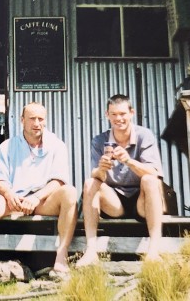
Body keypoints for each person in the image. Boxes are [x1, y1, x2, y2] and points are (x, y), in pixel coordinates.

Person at [0, 102, 77, 291]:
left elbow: (59, 180)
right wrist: (8, 194)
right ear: (22, 120)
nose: (37, 123)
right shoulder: (7, 146)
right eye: (32, 118)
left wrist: (36, 197)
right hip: (14, 199)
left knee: (70, 192)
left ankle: (61, 258)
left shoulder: (57, 145)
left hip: (43, 200)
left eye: (41, 119)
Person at [77, 94, 164, 266]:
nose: (119, 119)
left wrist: (129, 161)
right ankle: (91, 250)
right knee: (90, 182)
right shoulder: (99, 140)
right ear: (107, 115)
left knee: (150, 180)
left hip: (142, 200)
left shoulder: (144, 135)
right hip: (115, 201)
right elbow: (98, 177)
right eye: (114, 114)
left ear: (131, 113)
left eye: (123, 114)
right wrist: (101, 169)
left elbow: (154, 172)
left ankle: (154, 250)